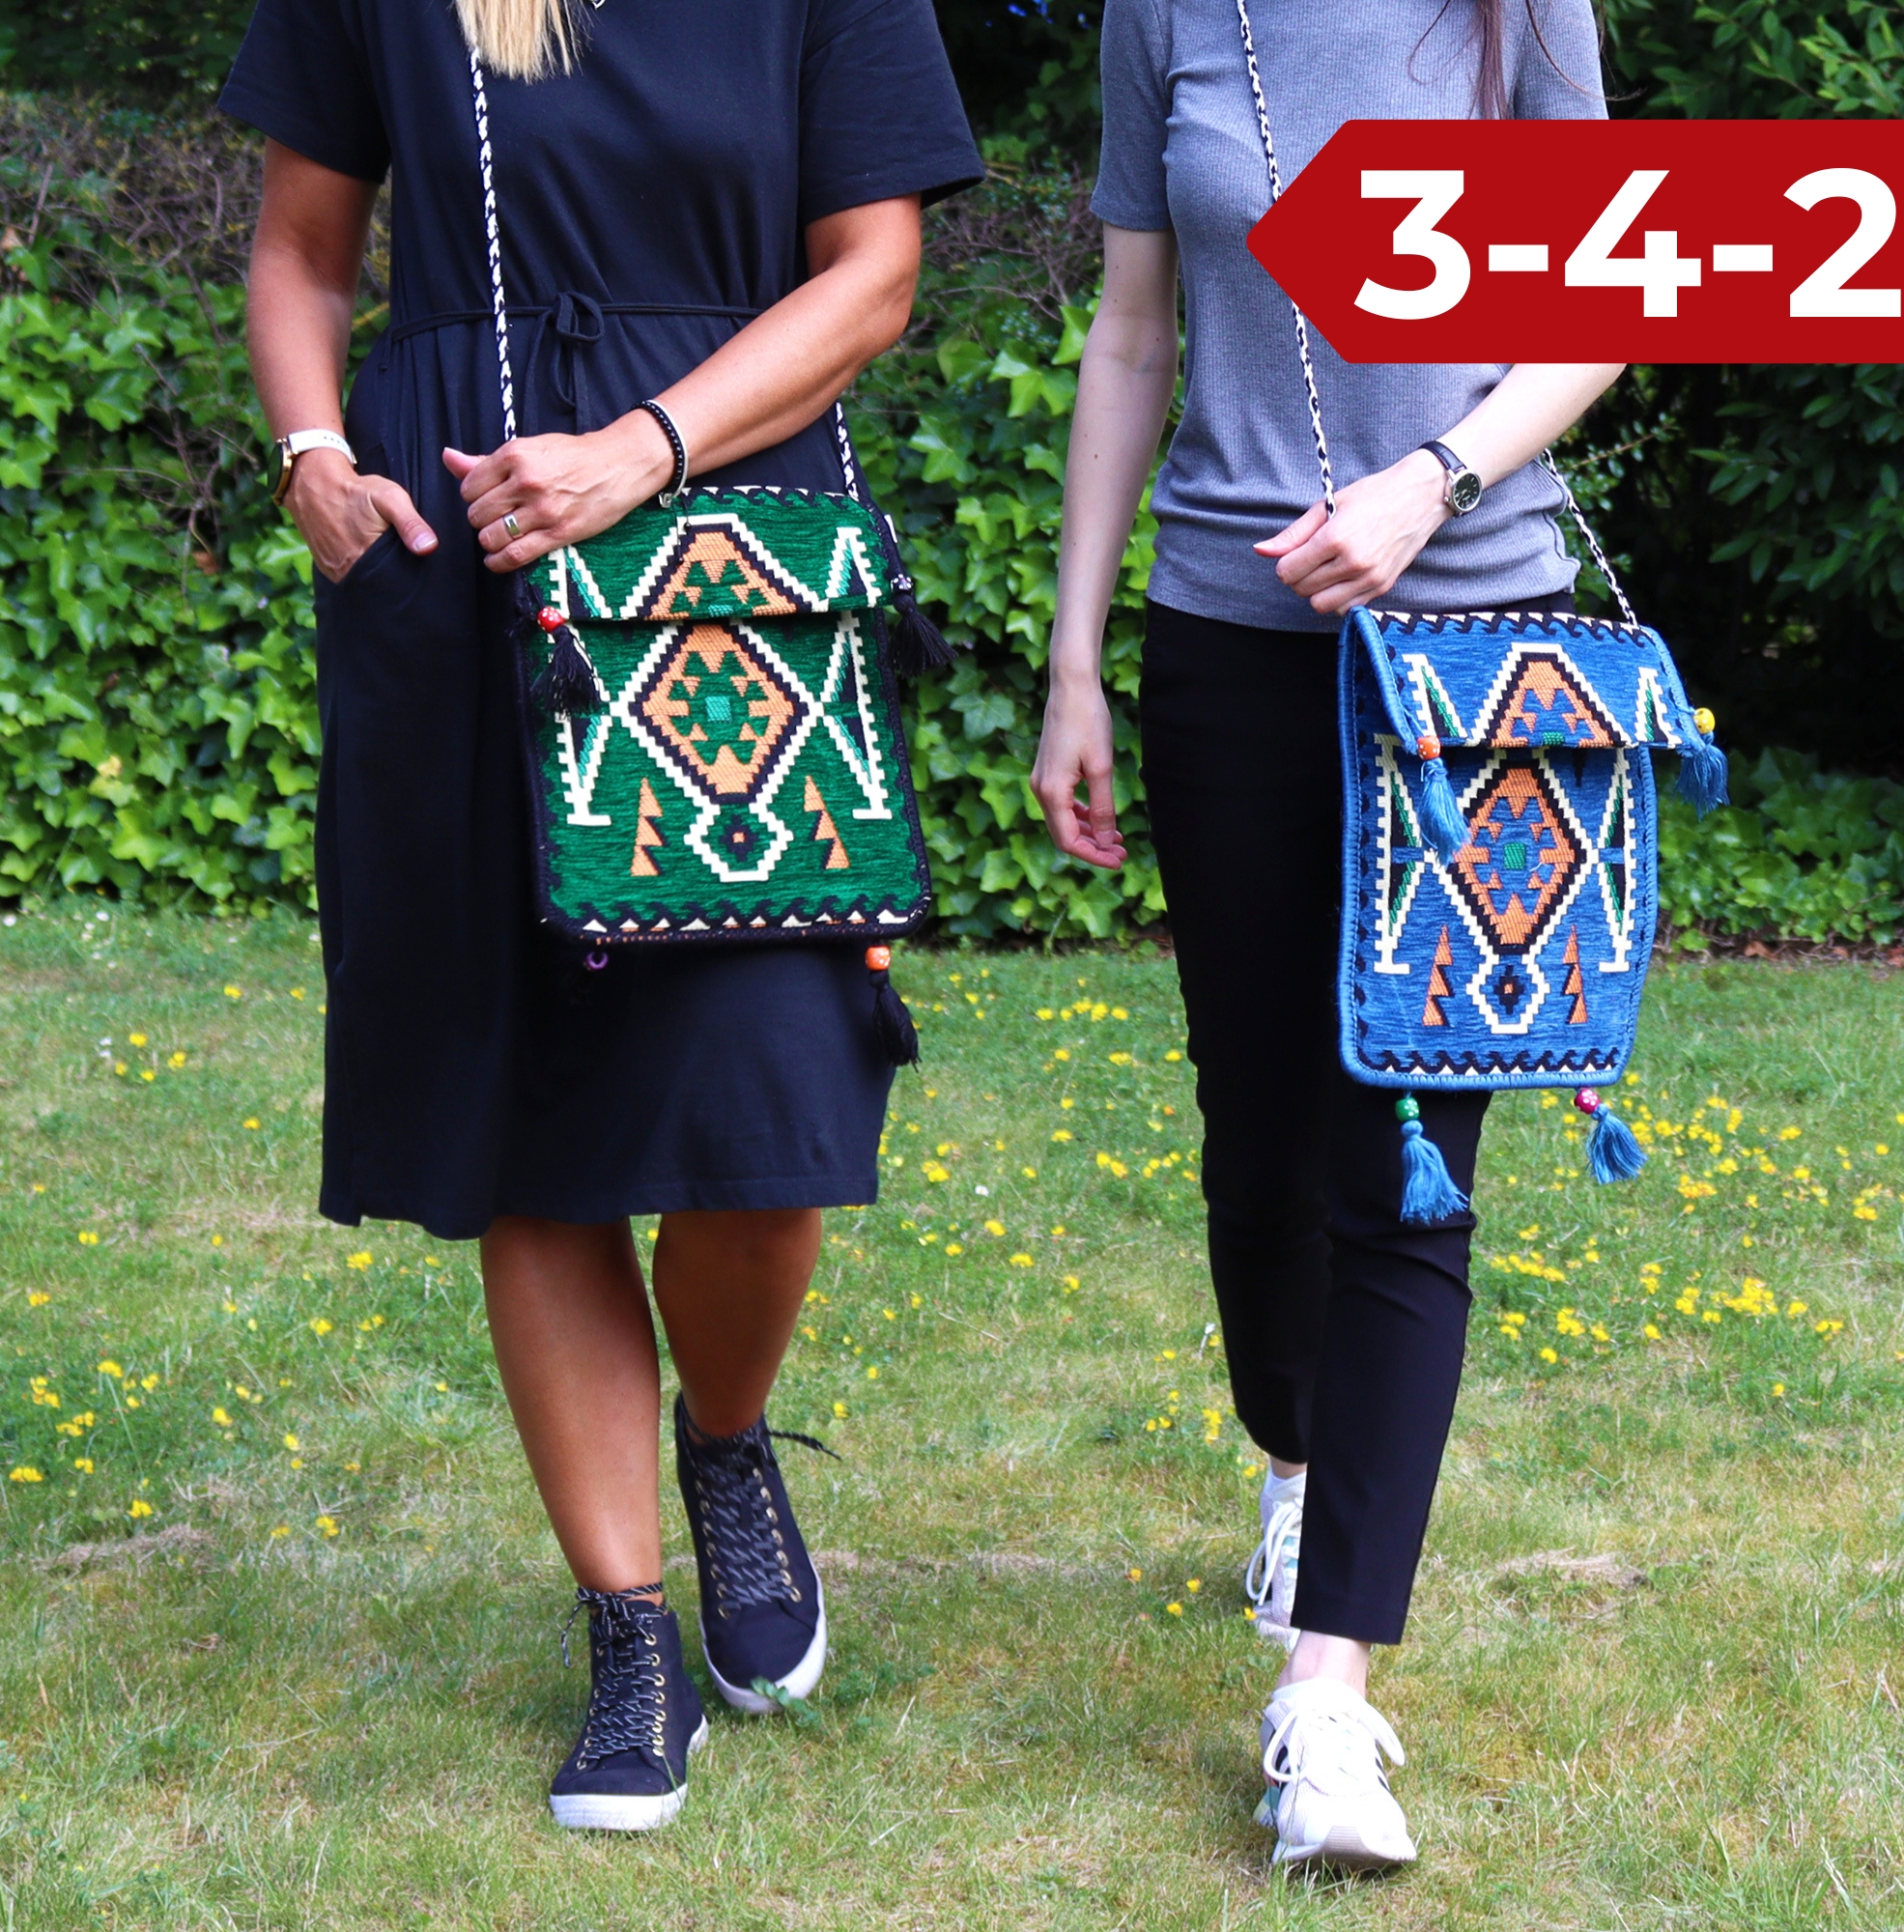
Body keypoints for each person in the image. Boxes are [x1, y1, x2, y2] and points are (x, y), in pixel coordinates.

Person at [220, 0, 979, 1833]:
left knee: (771, 1111)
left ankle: (725, 1441)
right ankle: (629, 1636)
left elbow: (874, 275)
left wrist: (645, 445)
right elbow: (302, 248)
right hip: (456, 554)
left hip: (732, 554)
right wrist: (310, 451)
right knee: (534, 1130)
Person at [1034, 0, 1620, 1871]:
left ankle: (1330, 1692)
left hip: (1476, 653)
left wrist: (1432, 480)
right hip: (1228, 643)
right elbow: (1134, 334)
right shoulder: (1170, 11)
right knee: (1259, 1140)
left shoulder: (1525, 7)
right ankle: (1293, 1459)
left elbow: (1601, 299)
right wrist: (1073, 660)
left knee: (1409, 1164)